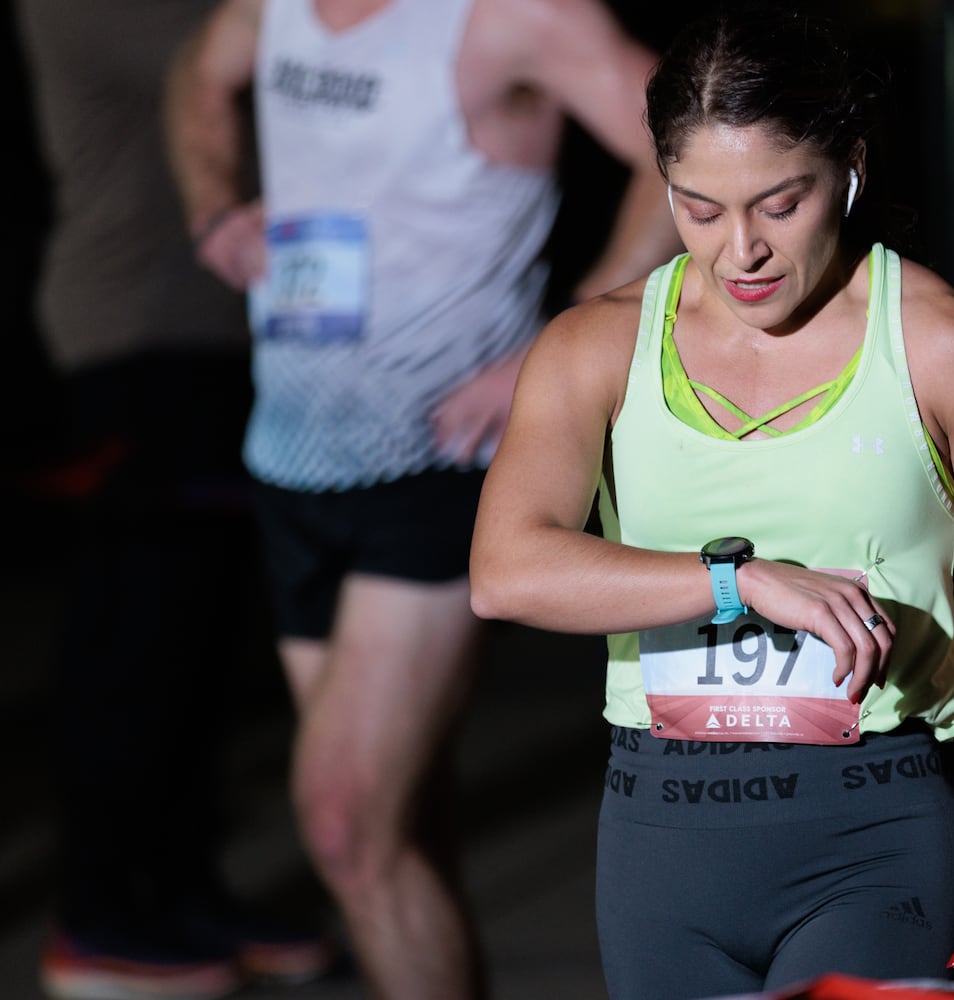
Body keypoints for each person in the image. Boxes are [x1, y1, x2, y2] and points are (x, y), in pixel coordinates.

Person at [468, 5, 954, 998]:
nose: (739, 252)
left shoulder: (943, 347)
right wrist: (740, 581)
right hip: (656, 845)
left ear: (846, 166)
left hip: (872, 837)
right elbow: (503, 573)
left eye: (778, 203)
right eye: (699, 208)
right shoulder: (594, 347)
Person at [162, 0, 682, 996]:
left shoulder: (510, 14)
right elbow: (198, 69)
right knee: (401, 831)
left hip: (440, 460)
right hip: (293, 455)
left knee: (342, 823)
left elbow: (681, 143)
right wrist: (215, 202)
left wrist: (561, 338)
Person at [14, 2, 341, 998]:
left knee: (203, 642)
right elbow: (257, 59)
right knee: (138, 637)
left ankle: (185, 889)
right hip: (137, 338)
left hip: (231, 335)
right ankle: (99, 913)